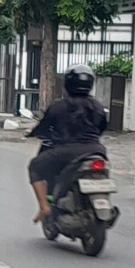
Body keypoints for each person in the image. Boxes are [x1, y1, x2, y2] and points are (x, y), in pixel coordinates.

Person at [27, 63, 108, 224]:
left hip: (64, 152)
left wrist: (32, 134)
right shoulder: (98, 107)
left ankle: (44, 206)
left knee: (34, 167)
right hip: (96, 151)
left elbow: (43, 128)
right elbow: (102, 128)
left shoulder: (57, 107)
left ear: (67, 83)